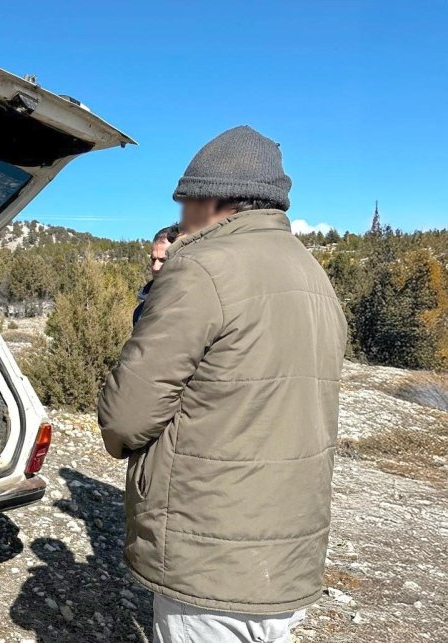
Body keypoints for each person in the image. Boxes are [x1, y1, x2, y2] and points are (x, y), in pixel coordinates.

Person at [98, 126, 347, 643]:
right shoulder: (313, 275)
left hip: (210, 547)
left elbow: (126, 416)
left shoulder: (201, 269)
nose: (182, 219)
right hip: (286, 557)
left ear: (211, 200)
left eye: (185, 202)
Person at [133, 224, 182, 325]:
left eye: (163, 260)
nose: (155, 267)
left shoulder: (195, 303)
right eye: (153, 259)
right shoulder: (140, 313)